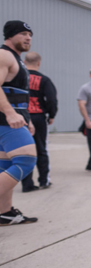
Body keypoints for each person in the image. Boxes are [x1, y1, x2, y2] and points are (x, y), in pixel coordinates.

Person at [0, 20, 38, 225]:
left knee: (4, 164)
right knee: (25, 160)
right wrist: (10, 113)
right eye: (23, 33)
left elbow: (19, 95)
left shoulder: (15, 59)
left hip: (13, 120)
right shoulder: (4, 55)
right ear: (10, 35)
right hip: (6, 120)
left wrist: (27, 119)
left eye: (30, 34)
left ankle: (4, 213)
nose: (28, 37)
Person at [20, 51, 57, 192]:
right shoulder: (44, 80)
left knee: (25, 151)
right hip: (39, 117)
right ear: (39, 63)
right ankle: (43, 181)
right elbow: (52, 99)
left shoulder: (19, 78)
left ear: (24, 61)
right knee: (41, 149)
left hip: (21, 117)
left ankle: (27, 184)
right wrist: (51, 114)